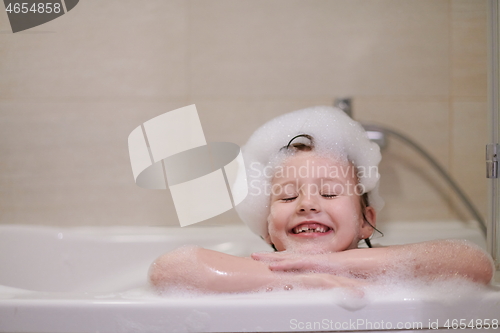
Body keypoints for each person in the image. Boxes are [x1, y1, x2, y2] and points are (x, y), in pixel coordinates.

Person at [149, 106, 493, 294]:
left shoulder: (387, 273)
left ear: (366, 221)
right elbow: (171, 269)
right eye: (286, 196)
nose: (307, 203)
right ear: (266, 229)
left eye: (329, 192)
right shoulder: (257, 272)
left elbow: (475, 265)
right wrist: (298, 278)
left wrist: (339, 264)